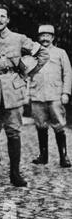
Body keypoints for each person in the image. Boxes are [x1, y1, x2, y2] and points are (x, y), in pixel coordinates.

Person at [0, 4, 49, 187]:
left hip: (13, 91)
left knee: (14, 132)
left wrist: (28, 72)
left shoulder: (19, 39)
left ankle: (15, 173)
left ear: (7, 20)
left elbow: (43, 54)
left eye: (2, 16)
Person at [30, 24, 72, 168]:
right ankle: (43, 155)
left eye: (48, 36)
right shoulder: (33, 53)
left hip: (55, 95)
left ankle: (64, 156)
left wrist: (66, 92)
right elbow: (26, 73)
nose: (45, 38)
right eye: (42, 36)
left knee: (59, 125)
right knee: (40, 125)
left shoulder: (61, 53)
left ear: (53, 38)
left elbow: (67, 73)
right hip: (36, 94)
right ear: (39, 38)